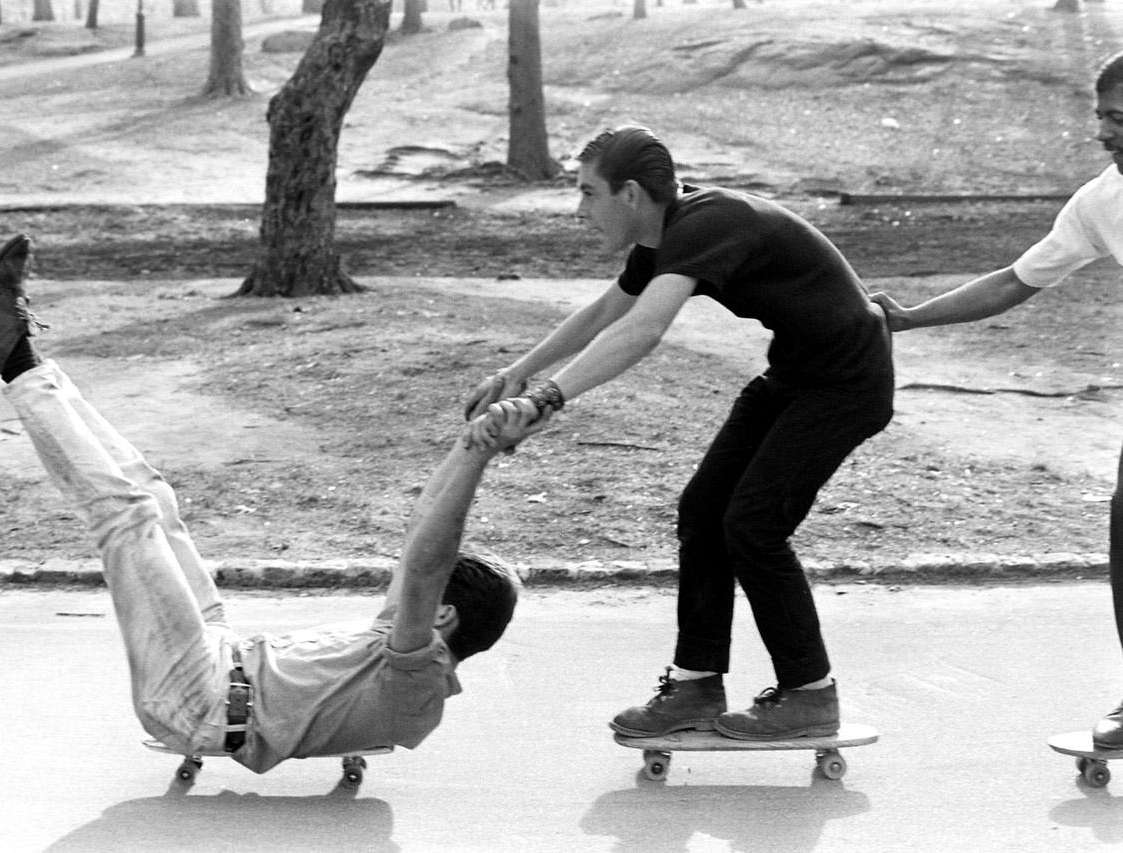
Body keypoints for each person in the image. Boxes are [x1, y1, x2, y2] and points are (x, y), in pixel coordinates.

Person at [0, 234, 548, 773]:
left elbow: (425, 562)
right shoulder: (397, 642)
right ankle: (21, 351)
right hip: (218, 651)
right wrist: (474, 443)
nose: (411, 588)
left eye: (428, 596)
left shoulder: (414, 676)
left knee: (129, 516)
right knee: (156, 498)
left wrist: (477, 460)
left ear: (443, 617)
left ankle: (14, 360)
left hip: (198, 700)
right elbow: (424, 525)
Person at [464, 126, 894, 741]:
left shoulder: (705, 222)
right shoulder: (667, 232)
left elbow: (643, 330)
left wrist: (547, 399)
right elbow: (606, 313)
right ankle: (695, 685)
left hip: (847, 385)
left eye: (588, 193)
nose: (579, 209)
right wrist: (516, 374)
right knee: (703, 511)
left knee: (753, 524)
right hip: (795, 375)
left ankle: (809, 694)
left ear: (631, 193)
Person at [870, 50, 1123, 750]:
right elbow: (1016, 280)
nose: (1106, 134)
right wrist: (914, 317)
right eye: (1102, 119)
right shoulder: (1102, 200)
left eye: (1120, 119)